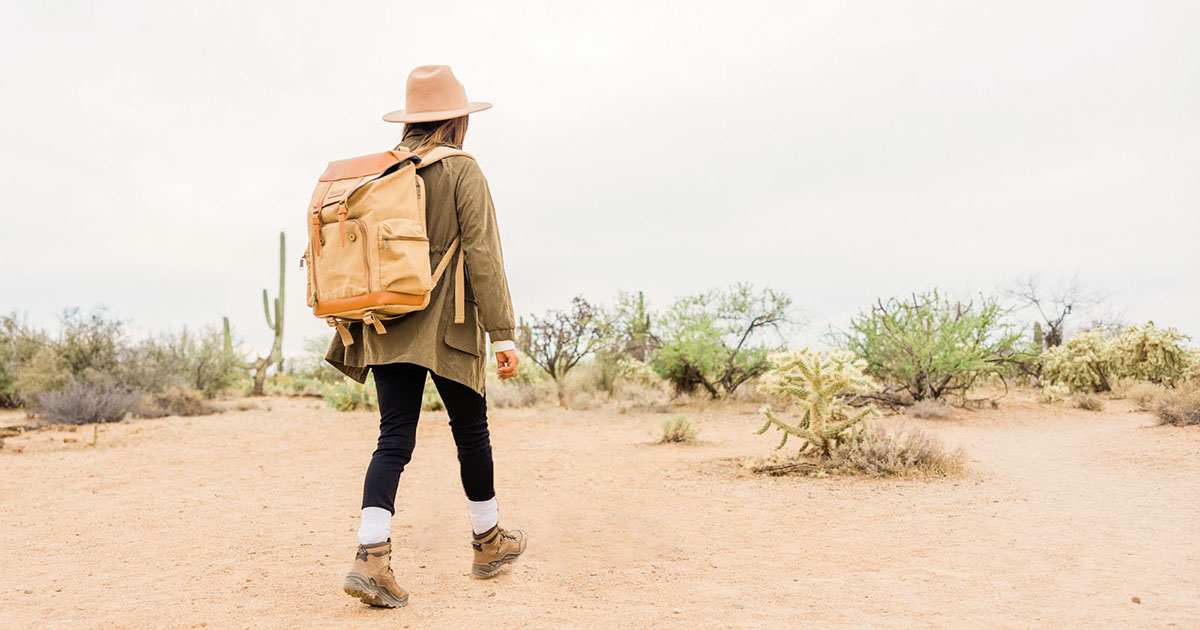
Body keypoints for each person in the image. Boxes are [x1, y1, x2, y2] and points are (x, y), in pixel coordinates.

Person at [326, 65, 526, 609]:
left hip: (388, 319)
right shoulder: (462, 169)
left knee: (393, 439)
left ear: (413, 120)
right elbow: (483, 254)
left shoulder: (385, 171)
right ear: (458, 120)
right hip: (450, 324)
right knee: (471, 431)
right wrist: (503, 334)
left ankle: (371, 557)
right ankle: (488, 543)